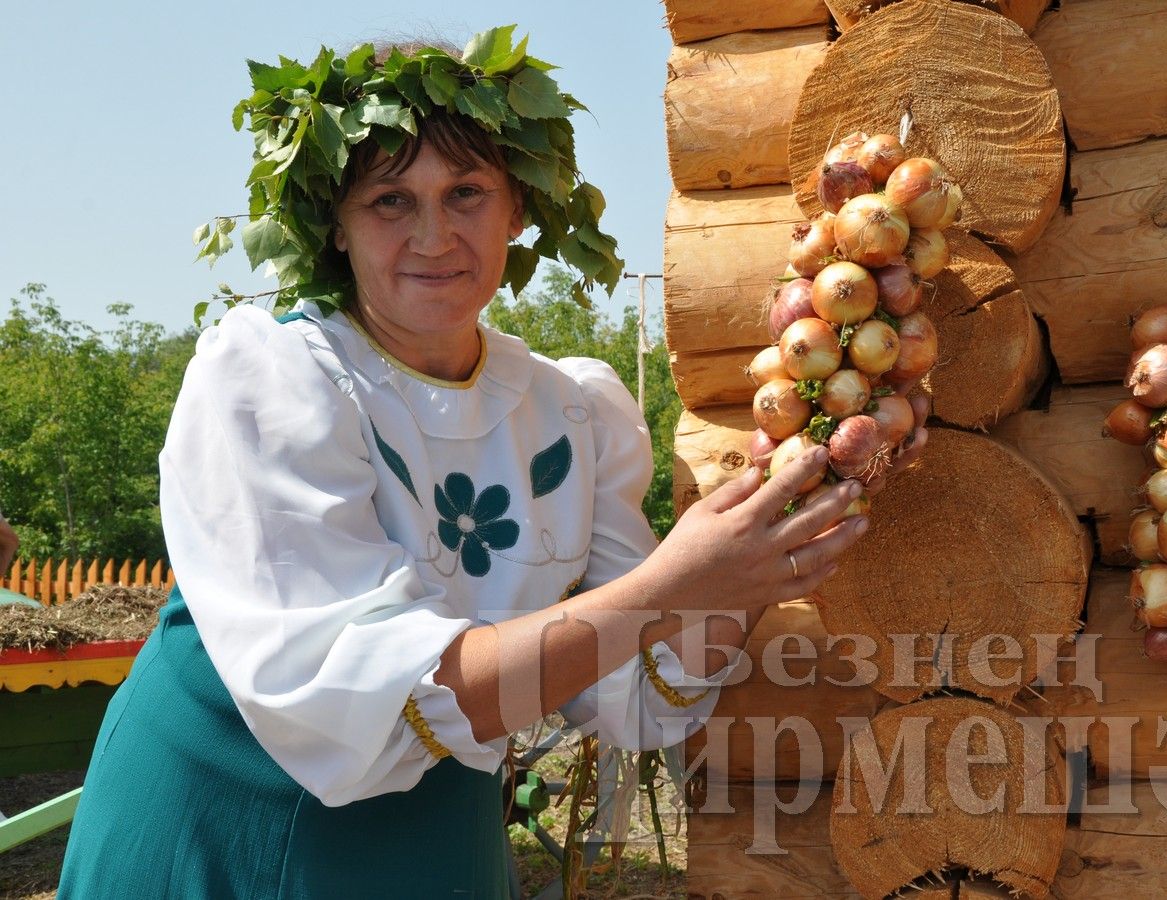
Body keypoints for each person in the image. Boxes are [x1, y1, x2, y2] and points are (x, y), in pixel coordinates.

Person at [58, 35, 929, 898]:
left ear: (518, 209)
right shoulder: (270, 377)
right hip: (225, 825)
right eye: (390, 200)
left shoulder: (572, 412)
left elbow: (635, 694)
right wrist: (673, 587)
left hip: (438, 831)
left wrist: (748, 559)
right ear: (334, 222)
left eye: (466, 193)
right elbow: (341, 697)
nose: (433, 235)